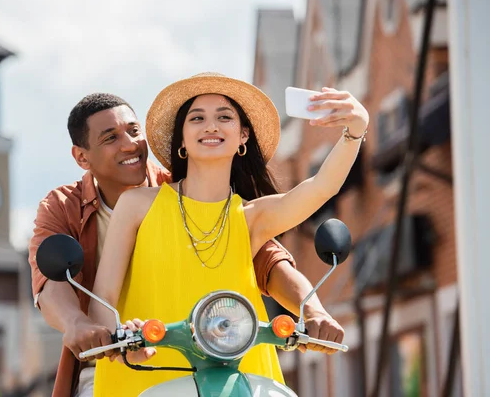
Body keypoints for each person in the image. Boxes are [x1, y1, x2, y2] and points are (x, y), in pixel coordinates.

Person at [27, 92, 345, 396]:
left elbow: (269, 262)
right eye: (110, 138)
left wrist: (314, 311)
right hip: (118, 354)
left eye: (134, 131)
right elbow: (53, 283)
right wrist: (81, 325)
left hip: (223, 352)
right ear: (82, 156)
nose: (130, 145)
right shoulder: (65, 207)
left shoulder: (200, 190)